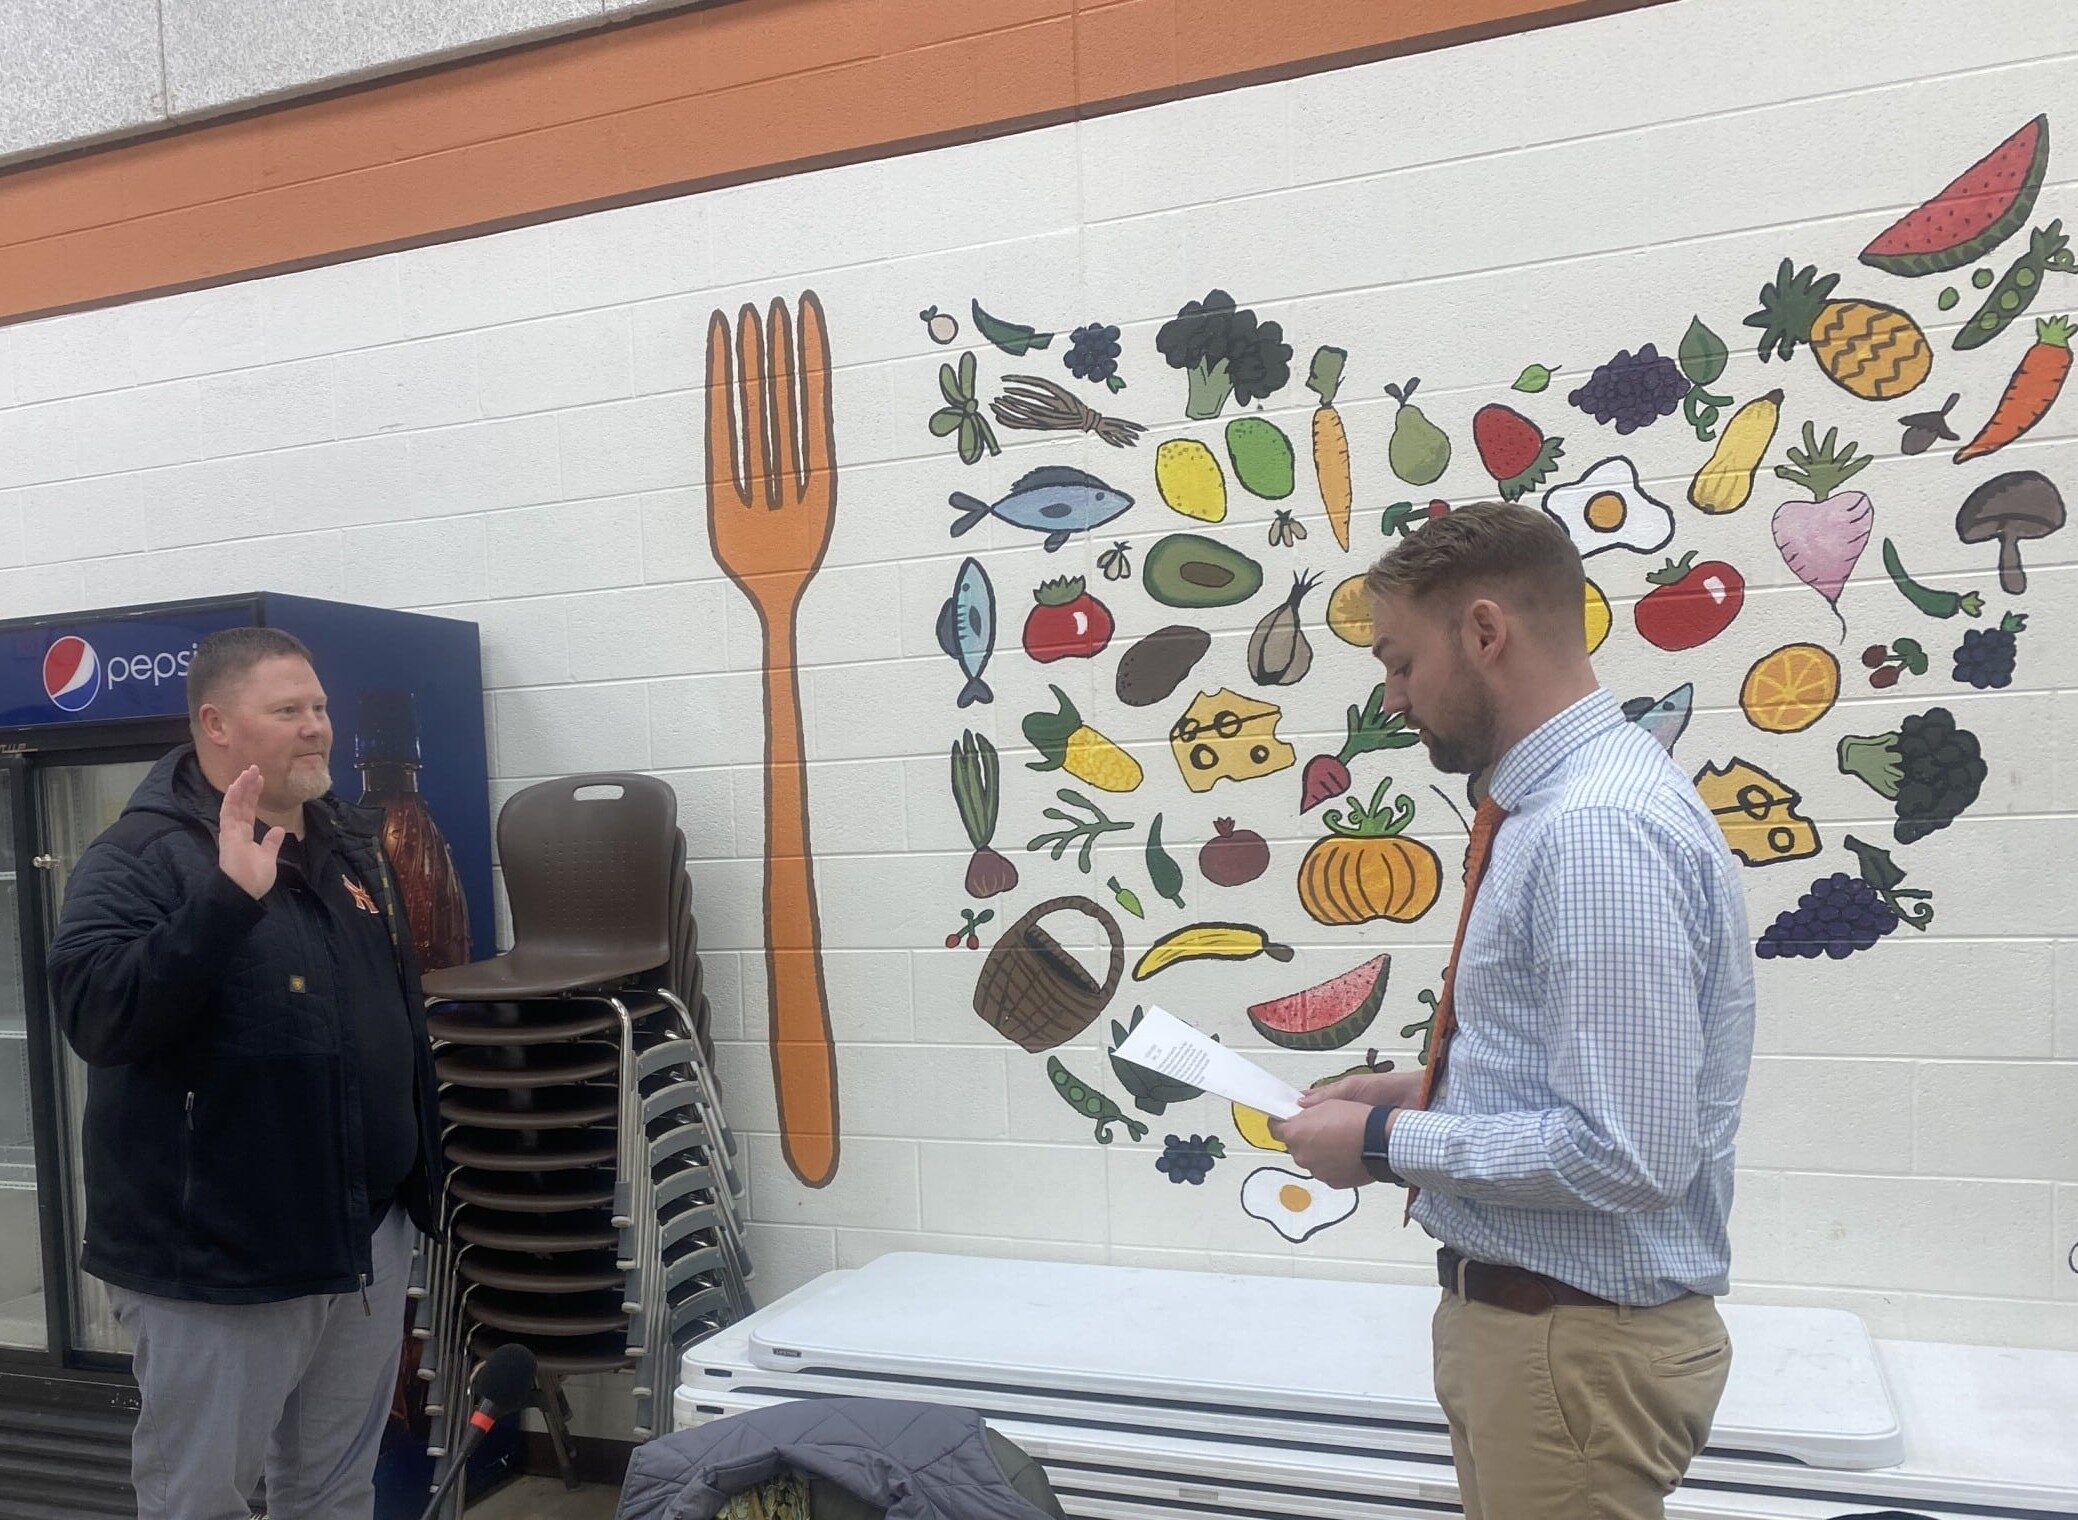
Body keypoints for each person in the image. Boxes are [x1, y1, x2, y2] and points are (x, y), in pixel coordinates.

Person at [1272, 501, 1756, 1520]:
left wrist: (1382, 1139)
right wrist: (1425, 1085)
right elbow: (1587, 1077)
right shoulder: (1569, 805)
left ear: (1484, 632)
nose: (1393, 699)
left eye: (1400, 662)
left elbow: (1625, 1151)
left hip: (1567, 1346)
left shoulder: (1591, 833)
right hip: (1544, 1340)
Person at [49, 627, 443, 1520]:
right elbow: (96, 1015)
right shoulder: (140, 854)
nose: (317, 729)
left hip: (362, 1241)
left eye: (321, 708)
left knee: (336, 1491)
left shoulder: (350, 845)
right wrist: (224, 901)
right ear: (217, 725)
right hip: (219, 1263)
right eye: (289, 711)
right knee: (203, 1500)